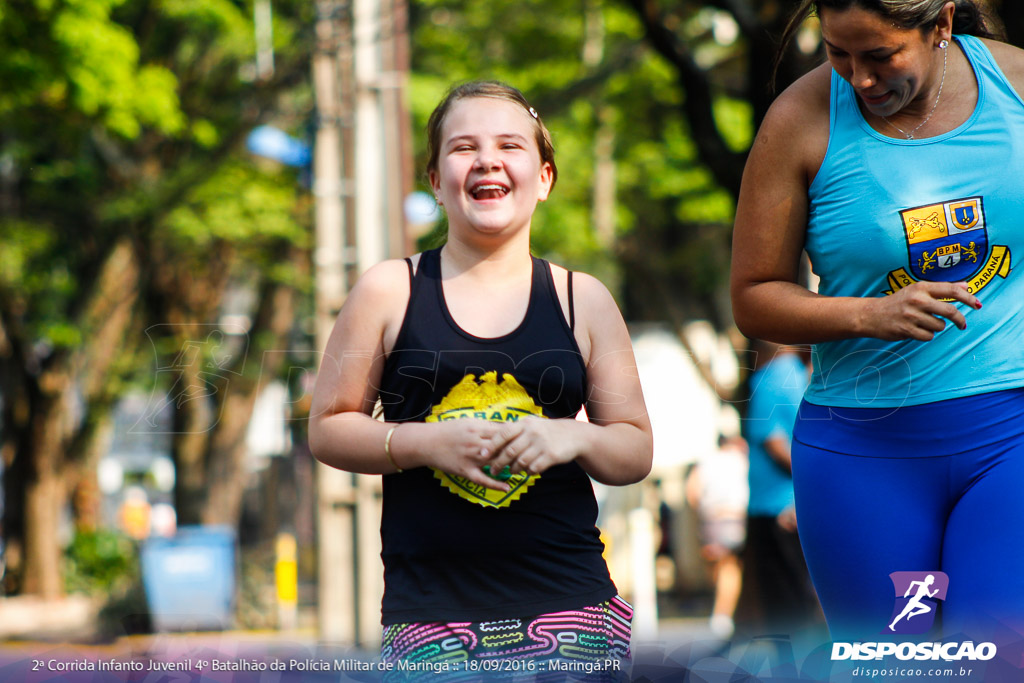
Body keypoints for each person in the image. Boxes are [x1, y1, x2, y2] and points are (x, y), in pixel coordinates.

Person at [309, 81, 653, 678]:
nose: (487, 160)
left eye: (509, 146)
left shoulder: (582, 299)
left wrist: (573, 438)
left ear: (543, 178)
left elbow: (635, 448)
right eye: (463, 147)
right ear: (436, 182)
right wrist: (421, 442)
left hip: (571, 609)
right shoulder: (389, 290)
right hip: (429, 618)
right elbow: (328, 428)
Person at [731, 0, 1024, 641]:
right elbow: (754, 295)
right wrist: (870, 313)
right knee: (899, 663)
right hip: (865, 452)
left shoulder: (1017, 87)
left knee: (997, 656)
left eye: (880, 55)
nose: (858, 78)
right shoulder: (799, 118)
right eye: (839, 52)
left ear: (941, 24)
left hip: (1010, 436)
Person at [735, 342, 822, 637]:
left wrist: (806, 489)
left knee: (783, 605)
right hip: (794, 507)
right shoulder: (804, 376)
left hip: (776, 509)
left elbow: (774, 443)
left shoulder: (771, 378)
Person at [685, 435, 749, 639]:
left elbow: (692, 491)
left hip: (712, 518)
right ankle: (724, 614)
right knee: (730, 567)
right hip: (735, 517)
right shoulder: (742, 459)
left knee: (718, 566)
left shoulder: (706, 461)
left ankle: (723, 611)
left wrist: (703, 511)